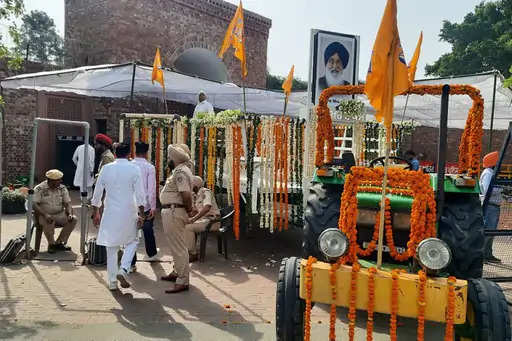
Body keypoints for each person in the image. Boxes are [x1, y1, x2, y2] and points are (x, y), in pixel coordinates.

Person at [91, 143, 145, 291]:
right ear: (129, 154)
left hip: (110, 212)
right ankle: (124, 268)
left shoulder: (106, 169)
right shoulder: (134, 169)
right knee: (133, 241)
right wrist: (142, 213)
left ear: (115, 153)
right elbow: (140, 194)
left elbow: (97, 192)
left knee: (111, 247)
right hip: (129, 211)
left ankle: (113, 282)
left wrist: (96, 212)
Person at [160, 144, 194, 294]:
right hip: (172, 211)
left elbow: (185, 195)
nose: (168, 160)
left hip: (175, 211)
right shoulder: (179, 170)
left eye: (169, 157)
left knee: (179, 247)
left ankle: (182, 280)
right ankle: (177, 272)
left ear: (175, 159)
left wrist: (190, 210)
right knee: (176, 246)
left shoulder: (180, 172)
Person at [33, 169, 77, 254]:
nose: (61, 181)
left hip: (59, 214)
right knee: (49, 220)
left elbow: (67, 203)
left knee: (73, 219)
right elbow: (34, 204)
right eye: (58, 180)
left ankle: (59, 243)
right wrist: (45, 214)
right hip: (44, 215)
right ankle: (51, 244)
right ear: (51, 181)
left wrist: (69, 214)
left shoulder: (62, 188)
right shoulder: (39, 188)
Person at [131, 142, 158, 271]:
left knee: (131, 233)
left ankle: (131, 263)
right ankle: (151, 254)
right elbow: (152, 190)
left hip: (130, 205)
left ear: (135, 152)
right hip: (145, 205)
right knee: (148, 229)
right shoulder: (149, 167)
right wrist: (153, 206)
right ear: (146, 153)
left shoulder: (129, 165)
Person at [184, 176, 221, 262]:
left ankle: (193, 254)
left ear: (196, 185)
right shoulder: (195, 195)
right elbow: (195, 212)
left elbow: (207, 207)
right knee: (183, 224)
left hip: (212, 222)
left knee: (188, 227)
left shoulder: (205, 192)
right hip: (204, 220)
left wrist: (193, 219)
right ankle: (187, 250)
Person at [480, 151, 504, 263]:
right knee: (488, 230)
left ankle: (488, 254)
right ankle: (482, 255)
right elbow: (487, 190)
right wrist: (502, 189)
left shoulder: (491, 173)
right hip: (490, 206)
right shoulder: (488, 173)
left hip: (494, 206)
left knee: (491, 231)